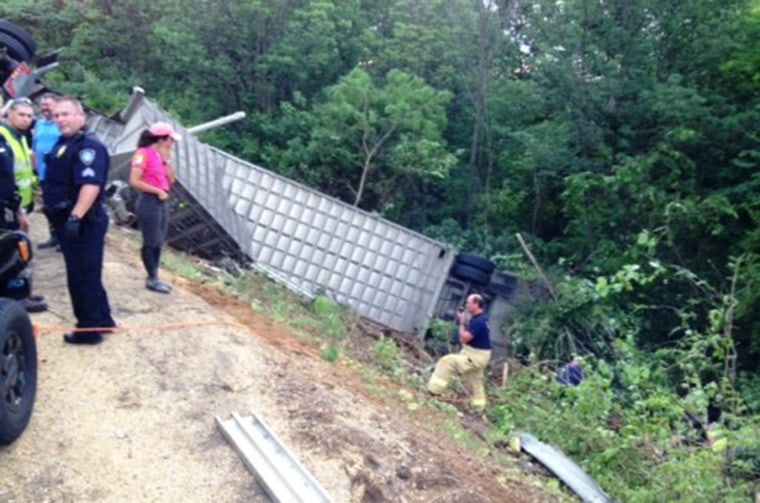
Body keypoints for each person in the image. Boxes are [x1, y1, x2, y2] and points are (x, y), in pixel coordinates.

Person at [43, 96, 115, 345]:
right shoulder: (65, 143)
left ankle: (88, 330)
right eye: (57, 116)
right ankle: (103, 320)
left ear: (80, 117)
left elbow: (90, 185)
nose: (60, 119)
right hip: (70, 219)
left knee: (81, 275)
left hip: (83, 221)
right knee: (89, 273)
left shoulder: (88, 147)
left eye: (65, 114)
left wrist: (75, 217)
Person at [0, 97, 47, 313]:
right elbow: (6, 177)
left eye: (29, 116)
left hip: (21, 204)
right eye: (21, 114)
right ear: (9, 114)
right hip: (9, 208)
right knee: (13, 252)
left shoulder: (20, 137)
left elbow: (24, 171)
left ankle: (21, 291)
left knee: (21, 250)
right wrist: (17, 209)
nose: (26, 119)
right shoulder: (3, 137)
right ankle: (15, 298)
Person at [128, 121, 180, 294]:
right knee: (151, 241)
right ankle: (151, 277)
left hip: (161, 201)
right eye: (170, 140)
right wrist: (156, 190)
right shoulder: (143, 154)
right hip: (149, 201)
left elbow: (171, 181)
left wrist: (167, 162)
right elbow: (135, 180)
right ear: (162, 139)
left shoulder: (160, 157)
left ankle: (155, 275)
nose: (172, 144)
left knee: (159, 241)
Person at [427, 293, 492, 412]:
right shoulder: (480, 319)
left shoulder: (479, 322)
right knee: (475, 380)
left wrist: (462, 322)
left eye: (468, 303)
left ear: (476, 304)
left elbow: (463, 338)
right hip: (479, 354)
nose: (466, 305)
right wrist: (463, 321)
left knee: (448, 361)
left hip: (476, 356)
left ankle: (434, 391)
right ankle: (479, 407)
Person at [32, 93, 61, 249]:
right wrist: (35, 169)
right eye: (43, 105)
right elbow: (35, 148)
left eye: (48, 105)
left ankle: (64, 239)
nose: (45, 108)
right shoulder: (39, 125)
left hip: (59, 175)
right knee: (48, 207)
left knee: (61, 207)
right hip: (43, 174)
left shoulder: (61, 124)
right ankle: (53, 236)